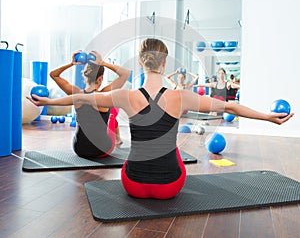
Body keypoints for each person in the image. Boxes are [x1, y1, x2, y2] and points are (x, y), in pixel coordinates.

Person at [28, 38, 293, 199]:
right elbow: (230, 107)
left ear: (142, 64)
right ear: (164, 65)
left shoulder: (123, 95)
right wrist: (268, 118)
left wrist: (47, 102)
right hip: (169, 186)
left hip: (132, 183)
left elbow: (79, 99)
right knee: (173, 149)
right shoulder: (182, 97)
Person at [49, 50, 130, 157]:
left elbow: (53, 75)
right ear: (100, 79)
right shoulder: (104, 95)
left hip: (79, 149)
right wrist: (103, 63)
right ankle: (118, 140)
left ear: (84, 76)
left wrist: (71, 63)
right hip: (101, 150)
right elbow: (125, 74)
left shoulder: (76, 93)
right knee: (112, 116)